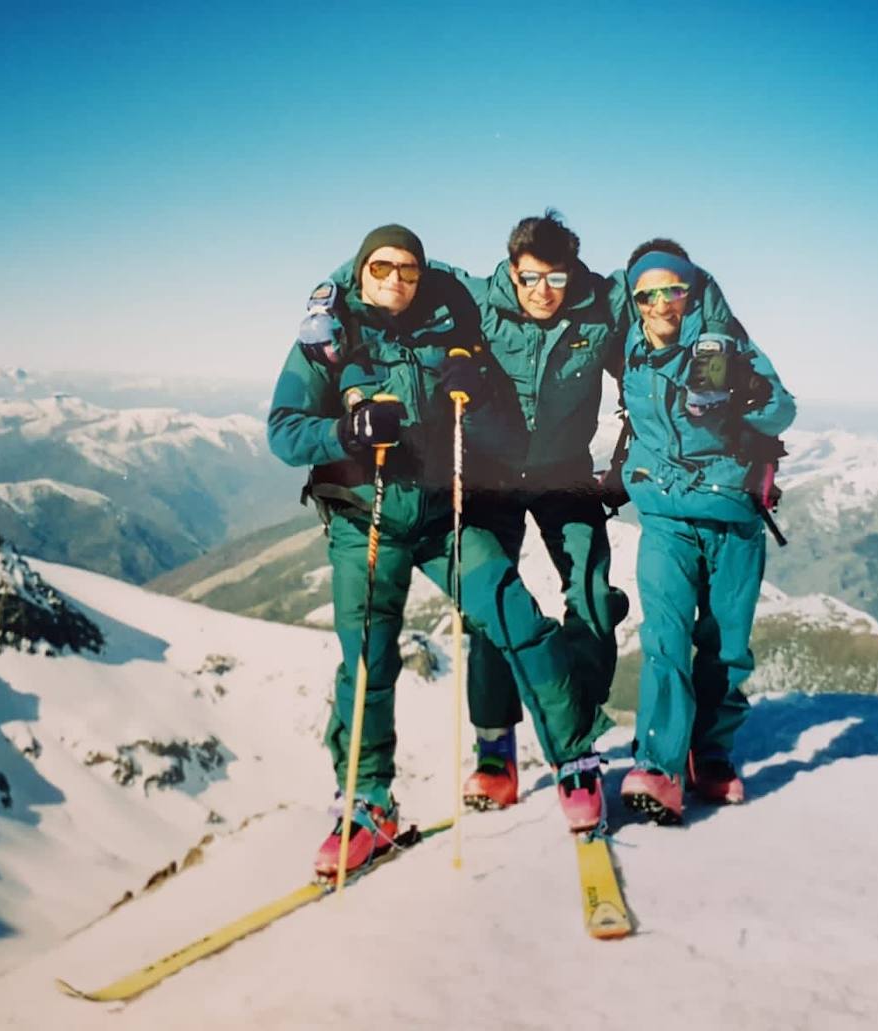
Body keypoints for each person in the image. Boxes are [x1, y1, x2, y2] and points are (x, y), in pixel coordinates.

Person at [267, 224, 612, 877]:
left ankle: (575, 759)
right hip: (361, 520)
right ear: (361, 270)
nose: (394, 279)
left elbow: (502, 434)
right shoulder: (330, 339)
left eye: (407, 270)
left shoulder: (446, 327)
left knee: (516, 618)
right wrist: (346, 429)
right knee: (366, 662)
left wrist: (473, 388)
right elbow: (284, 432)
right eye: (381, 267)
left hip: (440, 516)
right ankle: (368, 804)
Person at [447, 212, 743, 815]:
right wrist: (328, 304)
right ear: (511, 269)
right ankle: (494, 755)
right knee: (491, 609)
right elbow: (400, 270)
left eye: (556, 279)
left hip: (565, 475)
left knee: (590, 595)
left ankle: (575, 735)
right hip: (492, 480)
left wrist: (624, 463)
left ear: (573, 273)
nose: (542, 293)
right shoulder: (477, 299)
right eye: (530, 279)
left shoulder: (601, 304)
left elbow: (677, 287)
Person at [612, 239, 796, 824]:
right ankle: (659, 765)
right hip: (664, 514)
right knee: (665, 642)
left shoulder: (729, 344)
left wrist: (742, 391)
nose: (662, 302)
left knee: (725, 646)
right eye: (649, 292)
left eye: (674, 288)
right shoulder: (628, 348)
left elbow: (783, 410)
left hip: (732, 516)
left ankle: (710, 751)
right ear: (635, 299)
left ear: (692, 291)